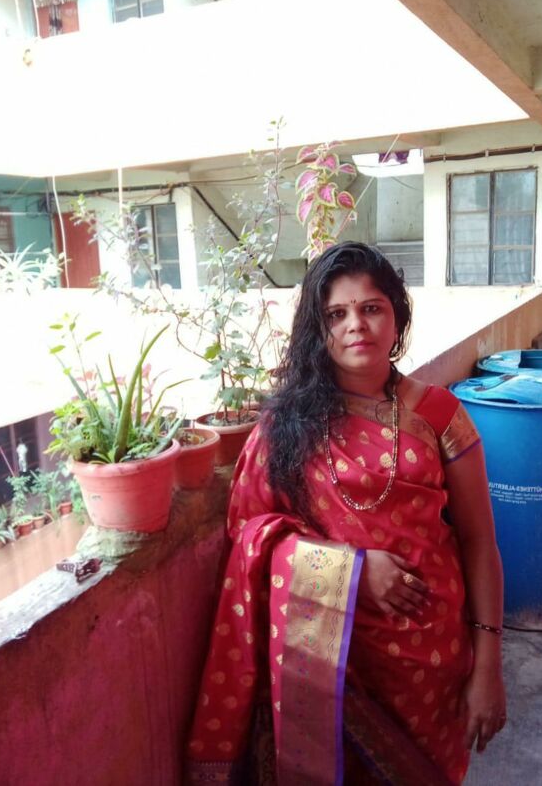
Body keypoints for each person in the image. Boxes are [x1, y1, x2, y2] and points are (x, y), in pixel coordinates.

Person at [186, 241, 506, 785]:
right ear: (319, 330)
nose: (355, 324)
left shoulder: (440, 414)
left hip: (432, 663)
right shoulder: (285, 427)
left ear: (396, 315)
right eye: (336, 314)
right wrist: (353, 572)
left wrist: (488, 666)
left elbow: (479, 542)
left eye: (371, 307)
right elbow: (249, 536)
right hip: (327, 664)